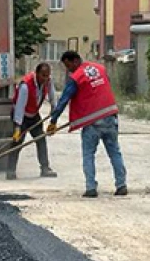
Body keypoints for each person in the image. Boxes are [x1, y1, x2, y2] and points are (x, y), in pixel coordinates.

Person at [48, 51, 127, 198]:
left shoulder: (76, 77)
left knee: (88, 154)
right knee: (115, 152)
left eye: (69, 65)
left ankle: (91, 188)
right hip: (110, 116)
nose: (68, 69)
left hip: (92, 121)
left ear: (76, 60)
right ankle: (121, 185)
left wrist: (53, 120)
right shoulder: (100, 69)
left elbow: (64, 99)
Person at [7, 63, 58, 180]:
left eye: (47, 75)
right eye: (43, 75)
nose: (45, 78)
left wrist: (54, 117)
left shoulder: (48, 82)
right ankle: (10, 170)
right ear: (37, 73)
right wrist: (17, 127)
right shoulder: (26, 85)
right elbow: (19, 107)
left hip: (34, 114)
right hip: (21, 116)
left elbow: (53, 98)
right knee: (17, 142)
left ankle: (45, 168)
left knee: (40, 139)